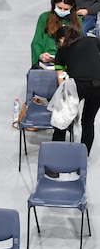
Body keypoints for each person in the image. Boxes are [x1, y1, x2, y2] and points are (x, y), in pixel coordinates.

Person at [52, 25, 100, 154]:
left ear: (62, 39)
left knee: (62, 120)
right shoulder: (92, 41)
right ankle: (83, 157)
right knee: (88, 122)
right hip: (98, 86)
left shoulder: (62, 51)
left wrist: (64, 95)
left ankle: (56, 155)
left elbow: (60, 76)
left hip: (77, 86)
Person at [31, 0, 82, 69]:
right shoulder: (44, 17)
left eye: (66, 9)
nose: (62, 11)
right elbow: (37, 41)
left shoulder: (78, 21)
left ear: (72, 7)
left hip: (69, 60)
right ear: (54, 4)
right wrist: (40, 55)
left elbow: (80, 44)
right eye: (59, 7)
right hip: (47, 59)